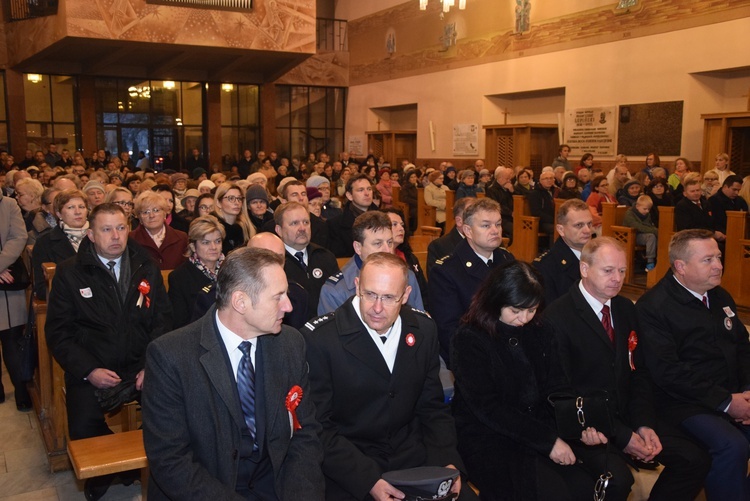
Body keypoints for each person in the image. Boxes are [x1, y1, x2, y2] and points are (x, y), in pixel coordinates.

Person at [143, 247, 325, 500]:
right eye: (278, 296)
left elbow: (305, 434)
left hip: (275, 485)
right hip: (206, 490)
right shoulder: (170, 355)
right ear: (240, 302)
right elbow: (170, 460)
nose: (289, 306)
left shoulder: (290, 343)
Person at [544, 237, 711, 501]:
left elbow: (639, 372)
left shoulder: (624, 308)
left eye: (622, 271)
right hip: (588, 426)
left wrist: (644, 424)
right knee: (617, 481)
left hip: (629, 415)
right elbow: (563, 392)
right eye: (608, 270)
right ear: (584, 269)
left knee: (694, 459)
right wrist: (623, 437)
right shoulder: (557, 316)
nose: (617, 278)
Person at [301, 253, 469, 501]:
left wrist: (447, 461)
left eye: (389, 297)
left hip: (412, 456)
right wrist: (368, 480)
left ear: (406, 294)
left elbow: (432, 408)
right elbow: (320, 427)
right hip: (351, 464)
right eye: (370, 294)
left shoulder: (423, 329)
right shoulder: (321, 339)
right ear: (357, 285)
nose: (377, 308)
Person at [46, 203, 172, 499]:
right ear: (90, 234)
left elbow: (163, 322)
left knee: (172, 411)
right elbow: (59, 333)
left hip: (140, 364)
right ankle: (110, 471)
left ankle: (156, 470)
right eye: (106, 229)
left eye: (121, 227)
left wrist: (149, 366)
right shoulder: (70, 273)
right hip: (93, 366)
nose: (115, 236)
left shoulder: (145, 265)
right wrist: (89, 370)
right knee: (82, 424)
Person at [452, 260, 603, 500]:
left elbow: (557, 386)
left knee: (585, 487)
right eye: (515, 310)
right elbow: (488, 408)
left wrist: (578, 425)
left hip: (539, 428)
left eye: (531, 310)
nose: (523, 319)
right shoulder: (470, 337)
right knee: (550, 493)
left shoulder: (542, 329)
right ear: (495, 301)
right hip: (489, 438)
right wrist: (548, 441)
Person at [636, 229, 748, 500]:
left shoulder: (719, 296)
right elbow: (668, 372)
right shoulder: (654, 306)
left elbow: (744, 349)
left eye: (718, 258)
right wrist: (727, 402)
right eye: (708, 260)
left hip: (731, 394)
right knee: (731, 445)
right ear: (681, 267)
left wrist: (746, 392)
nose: (719, 266)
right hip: (683, 403)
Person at [429, 198, 514, 365]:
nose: (495, 230)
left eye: (498, 224)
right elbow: (449, 331)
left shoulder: (507, 259)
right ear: (467, 230)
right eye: (485, 225)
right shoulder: (446, 271)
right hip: (475, 359)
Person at [318, 211, 424, 315]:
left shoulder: (408, 276)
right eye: (378, 243)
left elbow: (418, 325)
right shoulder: (336, 291)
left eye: (390, 242)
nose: (387, 250)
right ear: (358, 247)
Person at [274, 202, 339, 320]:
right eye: (294, 223)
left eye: (306, 222)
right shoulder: (275, 263)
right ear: (279, 230)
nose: (302, 228)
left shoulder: (325, 257)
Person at [0, 190, 32, 411]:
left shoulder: (9, 204)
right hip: (3, 271)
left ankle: (21, 388)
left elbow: (18, 237)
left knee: (12, 340)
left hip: (8, 282)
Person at [168, 215, 225, 329]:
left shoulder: (231, 269)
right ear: (193, 246)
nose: (213, 247)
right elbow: (180, 323)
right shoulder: (179, 277)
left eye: (217, 241)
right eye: (206, 242)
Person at [533, 199, 593, 306]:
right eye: (579, 225)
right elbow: (550, 312)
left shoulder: (597, 257)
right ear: (561, 230)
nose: (587, 230)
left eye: (589, 224)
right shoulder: (546, 266)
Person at [31, 189, 89, 300]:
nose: (78, 212)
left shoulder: (98, 237)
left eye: (81, 207)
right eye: (70, 207)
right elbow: (42, 288)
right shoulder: (45, 242)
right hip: (67, 305)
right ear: (59, 214)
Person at [130, 191, 188, 270]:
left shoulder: (182, 238)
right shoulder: (130, 240)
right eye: (146, 212)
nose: (151, 215)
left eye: (156, 210)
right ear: (139, 217)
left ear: (164, 213)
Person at [383, 208, 429, 309]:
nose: (401, 229)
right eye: (394, 224)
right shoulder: (377, 259)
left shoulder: (409, 257)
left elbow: (423, 291)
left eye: (402, 225)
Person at [327, 174, 377, 257]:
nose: (367, 193)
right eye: (360, 190)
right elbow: (340, 258)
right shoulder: (335, 224)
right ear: (349, 196)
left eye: (369, 189)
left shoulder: (384, 218)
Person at [426, 197, 474, 277]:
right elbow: (437, 281)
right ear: (459, 221)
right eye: (472, 216)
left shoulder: (492, 243)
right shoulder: (439, 246)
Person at [213, 181, 255, 255]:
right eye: (231, 198)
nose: (237, 202)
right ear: (218, 203)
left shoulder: (246, 227)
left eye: (239, 198)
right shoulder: (211, 228)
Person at [708, 174, 748, 244]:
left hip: (739, 236)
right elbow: (714, 222)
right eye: (734, 189)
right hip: (722, 238)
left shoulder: (740, 200)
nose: (736, 193)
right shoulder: (713, 201)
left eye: (738, 190)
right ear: (725, 187)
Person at [622, 195, 658, 271]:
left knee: (659, 236)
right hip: (631, 235)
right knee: (651, 236)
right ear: (637, 206)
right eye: (645, 209)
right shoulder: (630, 214)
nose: (647, 211)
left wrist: (657, 231)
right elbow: (638, 227)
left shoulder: (647, 214)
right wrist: (655, 231)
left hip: (642, 234)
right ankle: (650, 262)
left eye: (649, 209)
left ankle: (659, 260)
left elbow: (650, 225)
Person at [485, 166, 514, 243]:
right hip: (500, 218)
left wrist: (512, 192)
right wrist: (510, 213)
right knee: (515, 229)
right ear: (500, 178)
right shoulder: (492, 190)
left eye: (509, 179)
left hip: (512, 217)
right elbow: (495, 206)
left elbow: (516, 202)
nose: (509, 181)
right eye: (507, 179)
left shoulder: (508, 188)